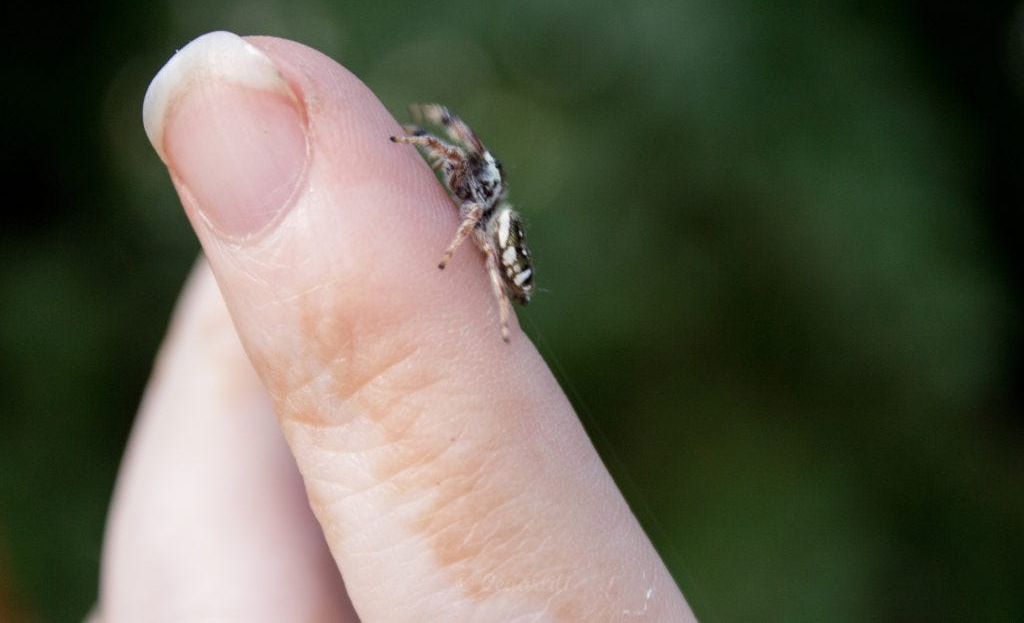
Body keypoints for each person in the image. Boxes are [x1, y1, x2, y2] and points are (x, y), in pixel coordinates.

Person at [92, 32, 695, 622]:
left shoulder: (483, 210)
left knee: (484, 248)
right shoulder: (475, 184)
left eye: (457, 158)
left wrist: (420, 143)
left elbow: (472, 216)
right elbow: (457, 154)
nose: (452, 165)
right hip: (490, 235)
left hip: (499, 249)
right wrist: (418, 134)